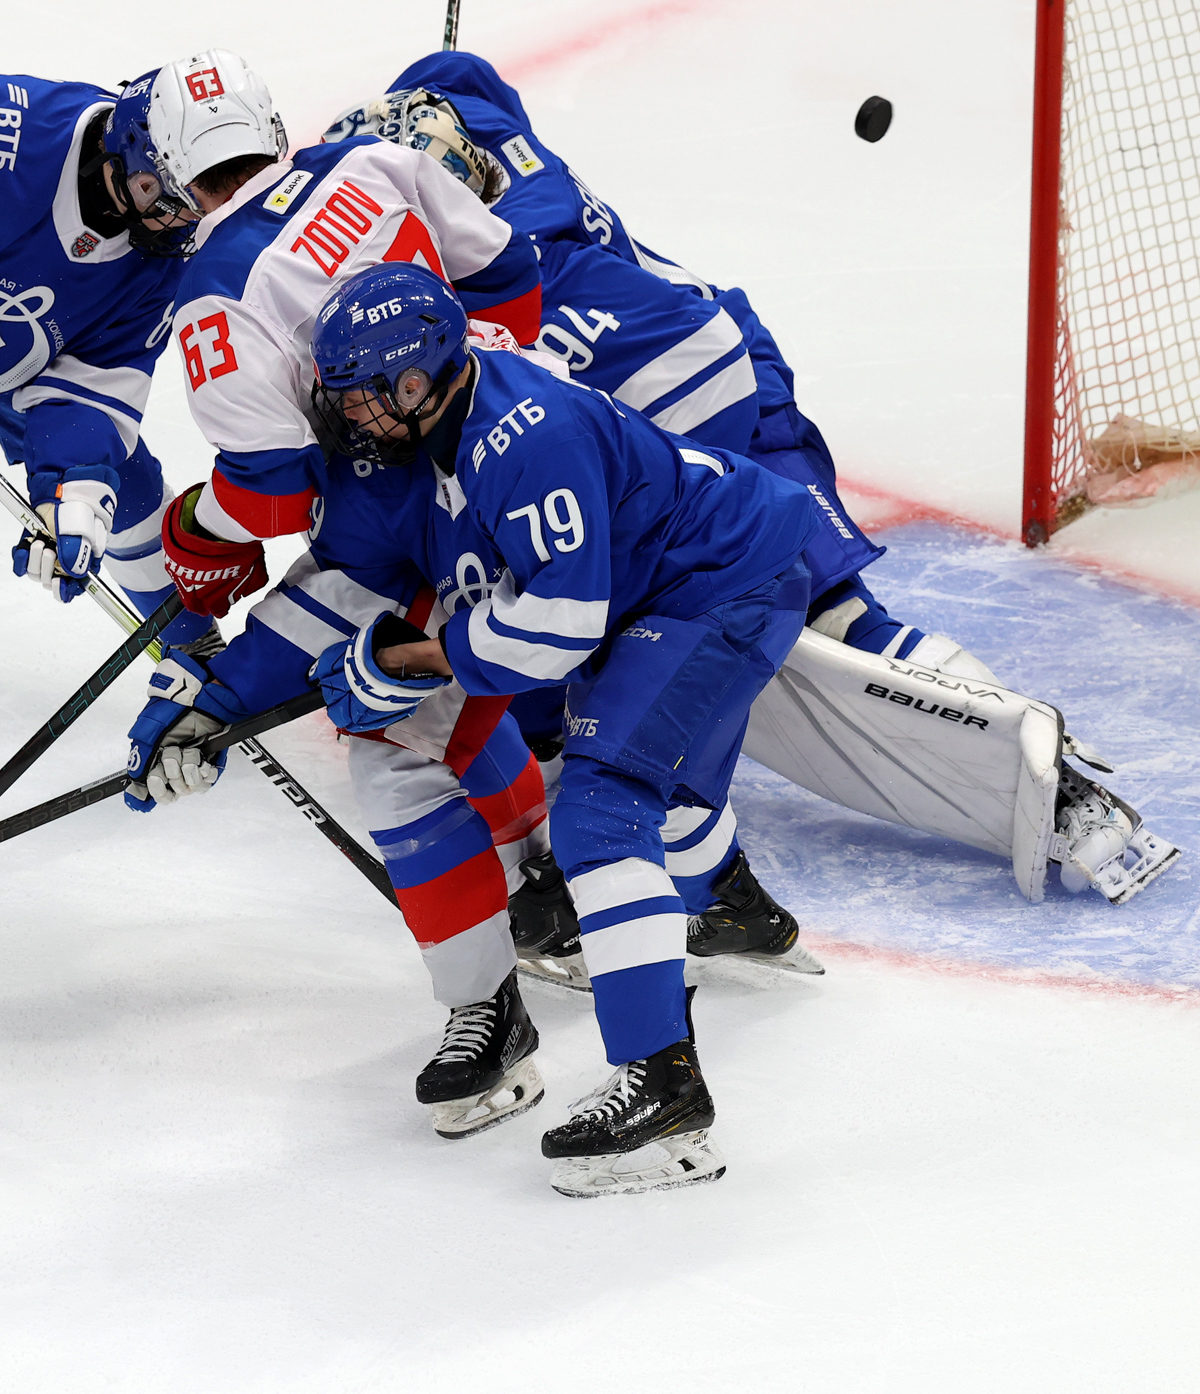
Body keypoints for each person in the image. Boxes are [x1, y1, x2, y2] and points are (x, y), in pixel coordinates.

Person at [318, 56, 1178, 906]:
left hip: (722, 403)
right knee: (663, 607)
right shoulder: (494, 152)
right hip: (709, 372)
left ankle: (1051, 782)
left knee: (820, 613)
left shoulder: (514, 281)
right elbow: (462, 73)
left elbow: (679, 391)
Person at [124, 263, 826, 1196]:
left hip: (718, 581)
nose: (344, 418)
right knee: (611, 780)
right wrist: (213, 703)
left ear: (419, 381)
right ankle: (730, 908)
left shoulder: (526, 433)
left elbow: (560, 625)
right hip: (632, 596)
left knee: (603, 807)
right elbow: (340, 588)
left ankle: (665, 1093)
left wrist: (416, 658)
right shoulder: (392, 442)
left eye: (361, 397)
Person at [138, 48, 542, 627]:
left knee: (361, 667)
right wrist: (477, 383)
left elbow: (272, 491)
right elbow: (509, 276)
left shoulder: (213, 295)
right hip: (525, 417)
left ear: (175, 170)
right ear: (269, 125)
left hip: (398, 509)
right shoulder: (368, 158)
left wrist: (201, 529)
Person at [1, 70, 217, 651]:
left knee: (123, 488)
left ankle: (191, 649)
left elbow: (91, 388)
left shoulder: (164, 261)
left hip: (18, 375)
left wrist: (72, 491)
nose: (182, 223)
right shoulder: (16, 133)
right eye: (168, 197)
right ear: (127, 157)